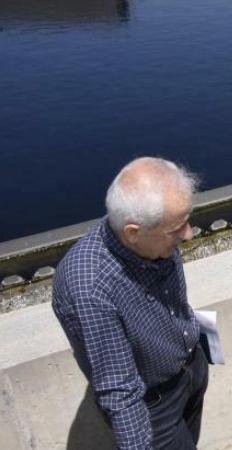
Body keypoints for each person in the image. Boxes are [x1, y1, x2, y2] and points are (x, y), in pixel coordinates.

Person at [53, 157, 208, 450]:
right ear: (133, 233)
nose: (188, 234)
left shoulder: (152, 235)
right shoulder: (91, 287)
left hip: (190, 369)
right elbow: (120, 391)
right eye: (177, 229)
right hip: (154, 408)